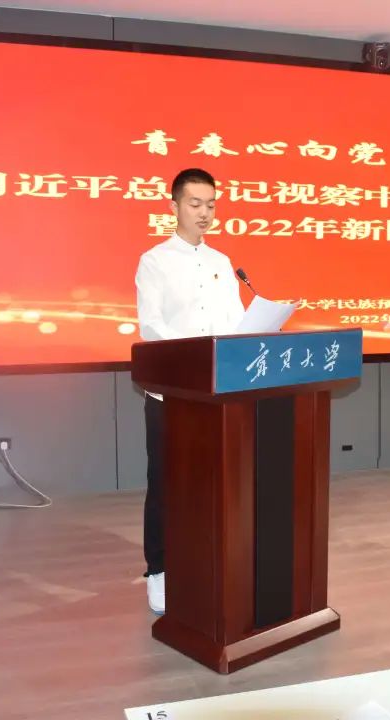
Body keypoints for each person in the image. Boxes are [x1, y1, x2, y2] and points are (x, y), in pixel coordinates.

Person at [134, 168, 245, 614]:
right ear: (174, 206)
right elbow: (152, 326)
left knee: (214, 484)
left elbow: (235, 322)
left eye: (211, 205)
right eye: (195, 203)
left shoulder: (221, 263)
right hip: (174, 394)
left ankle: (207, 562)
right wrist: (194, 361)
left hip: (219, 394)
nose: (204, 212)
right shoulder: (155, 261)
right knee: (166, 485)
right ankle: (159, 572)